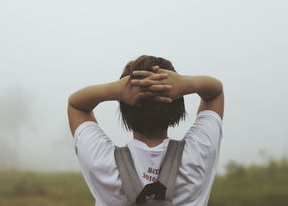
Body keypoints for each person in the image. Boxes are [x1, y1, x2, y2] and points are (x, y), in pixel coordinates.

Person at [67, 55, 224, 206]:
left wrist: (116, 89)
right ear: (177, 107)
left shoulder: (101, 160)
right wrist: (185, 83)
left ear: (124, 108)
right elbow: (215, 93)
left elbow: (76, 105)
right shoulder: (198, 153)